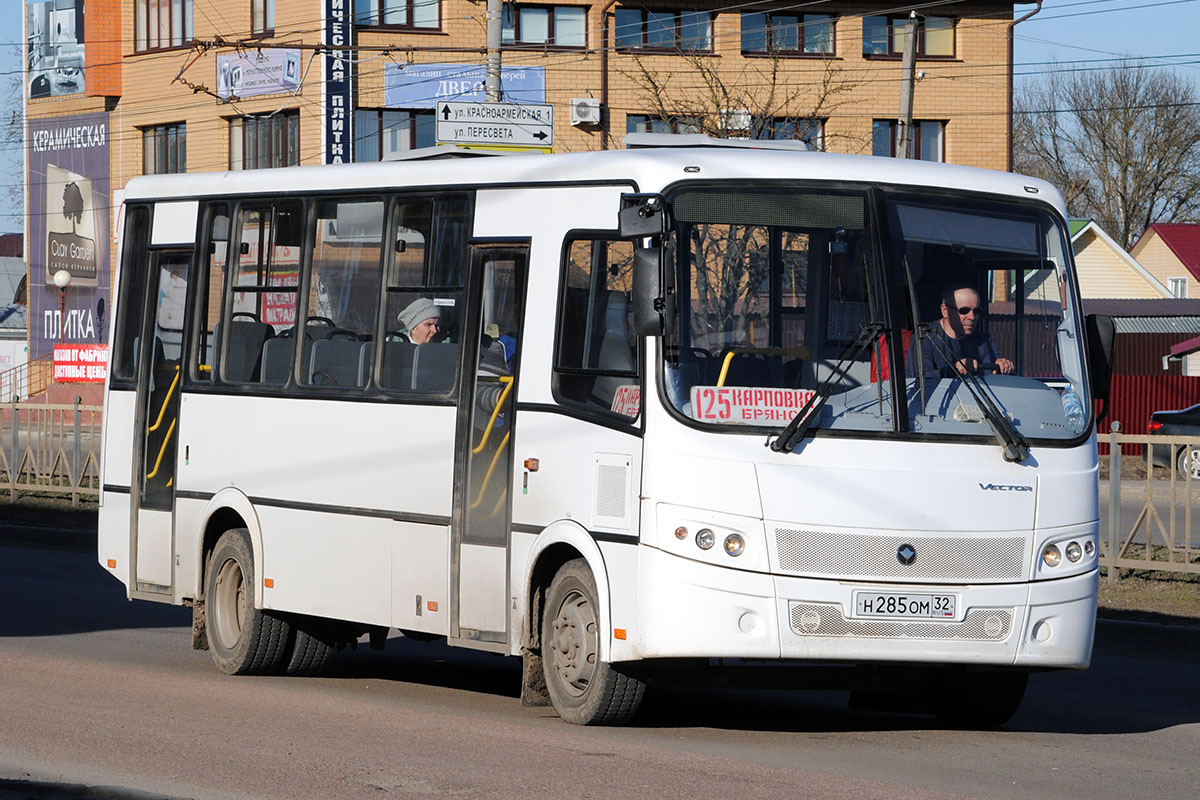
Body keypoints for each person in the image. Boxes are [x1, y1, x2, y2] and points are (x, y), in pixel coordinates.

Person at [910, 285, 1014, 378]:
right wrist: (953, 370)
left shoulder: (983, 340)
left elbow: (992, 378)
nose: (972, 317)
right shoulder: (924, 339)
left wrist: (1002, 366)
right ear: (945, 311)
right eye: (964, 311)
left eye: (977, 311)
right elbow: (921, 383)